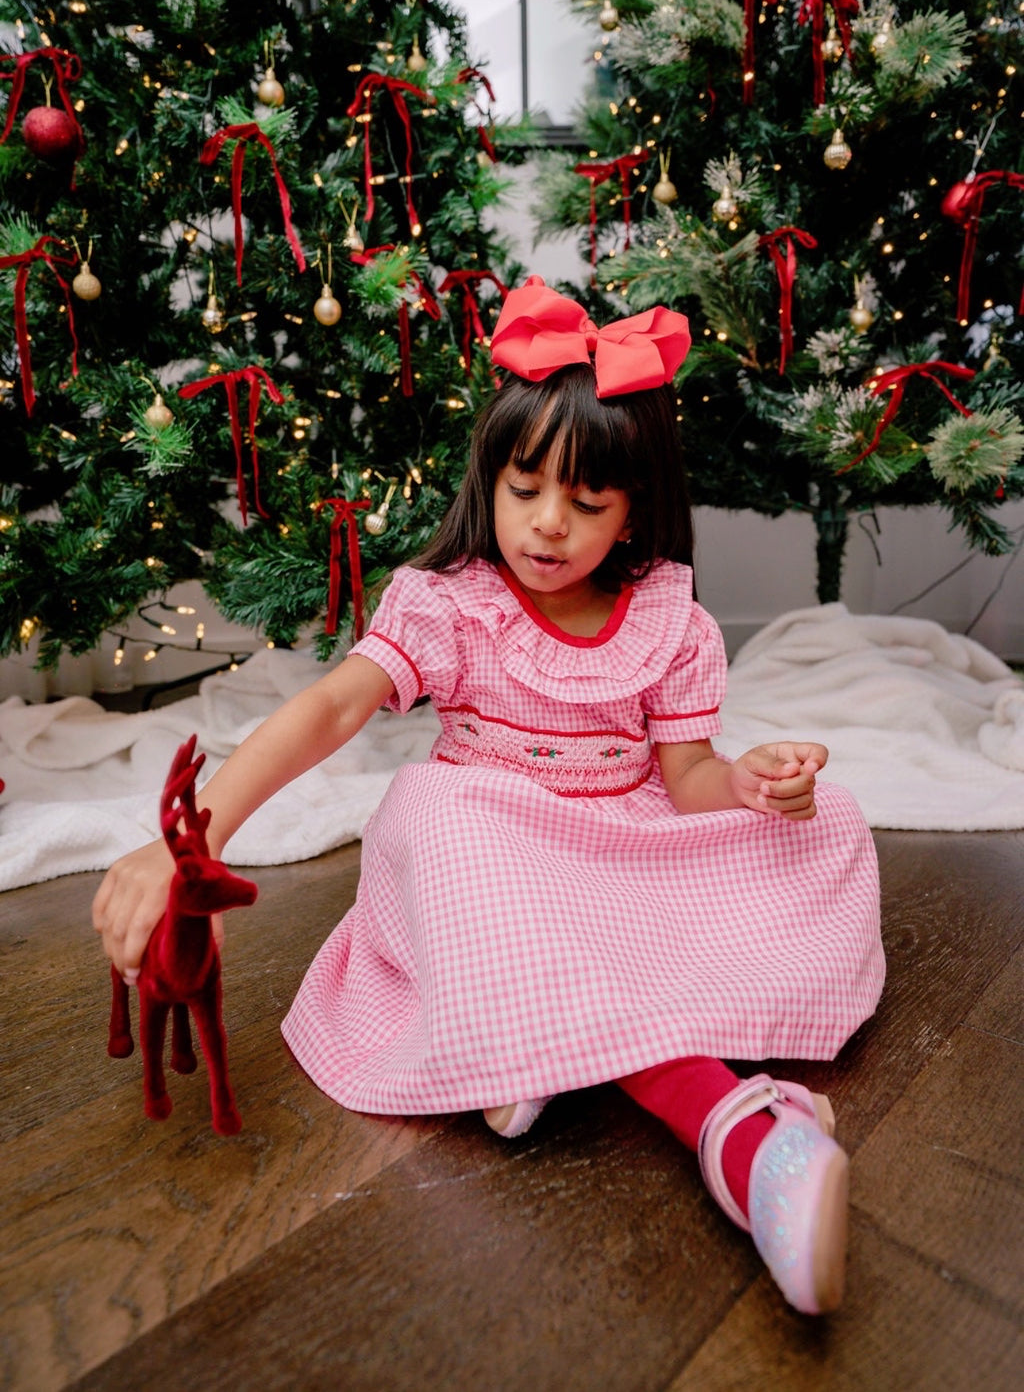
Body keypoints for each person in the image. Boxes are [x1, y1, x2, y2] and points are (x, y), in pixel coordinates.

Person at [93, 276, 884, 1317]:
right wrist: (191, 842)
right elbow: (332, 708)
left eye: (586, 504)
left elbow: (687, 777)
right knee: (436, 808)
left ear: (633, 512)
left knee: (831, 825)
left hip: (622, 858)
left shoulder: (670, 622)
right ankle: (726, 1122)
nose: (547, 525)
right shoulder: (450, 607)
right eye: (523, 489)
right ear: (490, 479)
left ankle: (541, 1033)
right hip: (499, 865)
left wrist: (748, 784)